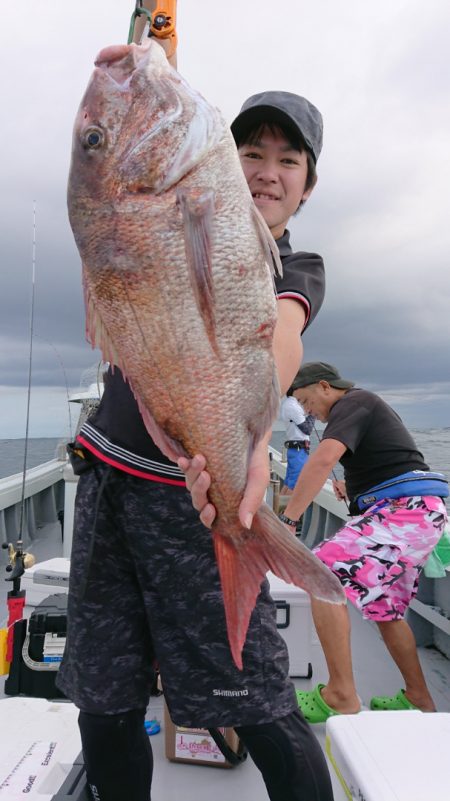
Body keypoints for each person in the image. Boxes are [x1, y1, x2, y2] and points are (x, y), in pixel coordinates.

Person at [56, 35, 335, 801]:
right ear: (221, 152)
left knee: (258, 704)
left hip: (206, 497)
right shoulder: (164, 203)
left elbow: (279, 334)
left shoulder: (294, 265)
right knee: (103, 702)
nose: (268, 171)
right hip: (109, 481)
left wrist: (246, 444)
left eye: (289, 160)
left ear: (307, 186)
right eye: (253, 150)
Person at [277, 361, 448, 723]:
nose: (308, 412)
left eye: (306, 402)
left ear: (325, 386)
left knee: (320, 573)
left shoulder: (354, 402)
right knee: (386, 610)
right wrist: (355, 490)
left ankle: (340, 693)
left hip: (407, 511)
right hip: (416, 512)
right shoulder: (358, 409)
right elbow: (385, 460)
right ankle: (419, 698)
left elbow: (323, 459)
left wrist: (289, 519)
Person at [279, 386, 314, 495]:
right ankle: (285, 511)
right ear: (296, 391)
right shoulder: (292, 406)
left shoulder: (289, 404)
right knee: (295, 484)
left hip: (296, 448)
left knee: (289, 483)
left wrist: (307, 414)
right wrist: (313, 414)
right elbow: (307, 429)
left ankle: (278, 510)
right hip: (299, 449)